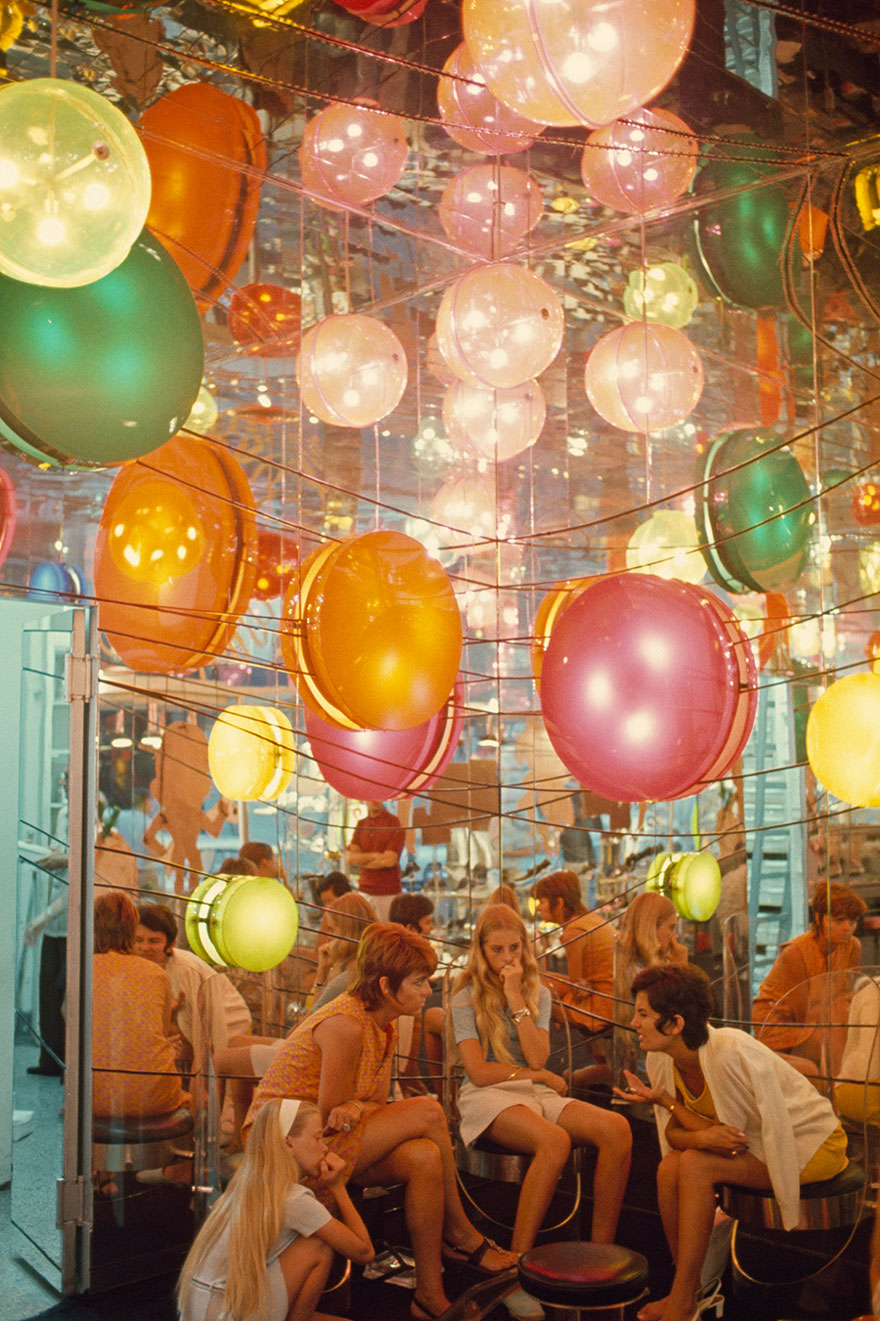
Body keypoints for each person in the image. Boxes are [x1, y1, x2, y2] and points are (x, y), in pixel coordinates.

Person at [245, 923, 516, 1321]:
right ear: (387, 986)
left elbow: (368, 1102)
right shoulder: (347, 1025)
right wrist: (355, 1108)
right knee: (428, 1110)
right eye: (420, 982)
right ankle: (461, 1233)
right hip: (283, 1144)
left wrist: (357, 1108)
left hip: (322, 1136)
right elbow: (331, 1118)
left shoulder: (384, 1024)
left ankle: (429, 1295)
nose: (428, 991)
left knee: (424, 1156)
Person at [617, 964, 849, 1321]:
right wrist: (676, 1111)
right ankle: (689, 1288)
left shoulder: (727, 1052)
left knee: (694, 1165)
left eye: (644, 1014)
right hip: (750, 1146)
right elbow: (674, 1135)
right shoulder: (662, 1058)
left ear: (676, 1024)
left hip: (808, 1144)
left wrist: (684, 1119)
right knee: (668, 1167)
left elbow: (730, 1142)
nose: (634, 1023)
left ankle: (683, 1299)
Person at [450, 905, 632, 1321]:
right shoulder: (464, 997)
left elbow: (537, 1056)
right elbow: (477, 1071)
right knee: (554, 1140)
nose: (508, 958)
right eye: (497, 950)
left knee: (616, 1128)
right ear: (481, 950)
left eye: (514, 948)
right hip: (485, 1093)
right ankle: (517, 1268)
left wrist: (516, 998)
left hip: (531, 1088)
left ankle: (599, 1254)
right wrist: (542, 1077)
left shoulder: (538, 993)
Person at [177, 1097, 374, 1321]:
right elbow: (364, 1252)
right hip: (225, 1310)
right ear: (289, 1143)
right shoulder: (293, 1199)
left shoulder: (244, 1186)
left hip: (203, 1309)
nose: (324, 1147)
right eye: (317, 1137)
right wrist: (337, 1186)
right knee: (318, 1244)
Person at [92, 891, 189, 1195]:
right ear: (132, 929)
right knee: (196, 1098)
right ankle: (185, 1173)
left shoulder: (80, 967)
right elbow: (159, 1033)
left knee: (100, 1069)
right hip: (153, 1098)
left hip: (91, 1099)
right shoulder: (155, 973)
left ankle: (100, 1172)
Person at [752, 879, 866, 1078]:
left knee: (853, 1030)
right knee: (834, 1037)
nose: (847, 928)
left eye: (853, 921)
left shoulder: (852, 947)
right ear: (819, 917)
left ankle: (845, 1094)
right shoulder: (795, 954)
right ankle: (838, 1097)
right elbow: (802, 1015)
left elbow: (846, 996)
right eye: (838, 920)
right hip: (780, 1025)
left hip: (822, 1020)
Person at [134, 903, 252, 1065]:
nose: (144, 948)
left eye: (154, 941)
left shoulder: (185, 970)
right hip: (188, 1039)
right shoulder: (137, 968)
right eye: (138, 940)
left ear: (170, 945)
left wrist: (201, 1084)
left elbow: (205, 1032)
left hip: (228, 1028)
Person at [534, 870, 615, 1036]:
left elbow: (575, 987)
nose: (538, 907)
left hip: (604, 1005)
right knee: (540, 981)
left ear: (559, 903)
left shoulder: (574, 931)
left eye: (542, 902)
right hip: (609, 995)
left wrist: (556, 1012)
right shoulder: (588, 920)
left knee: (533, 988)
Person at [311, 892, 379, 1009]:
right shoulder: (370, 963)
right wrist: (324, 968)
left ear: (347, 932)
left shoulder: (348, 977)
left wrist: (322, 972)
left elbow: (312, 1019)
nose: (328, 936)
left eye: (332, 930)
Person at [345, 801, 405, 921]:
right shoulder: (361, 824)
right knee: (365, 932)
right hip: (364, 890)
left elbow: (389, 861)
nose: (375, 801)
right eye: (371, 797)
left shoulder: (393, 822)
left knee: (387, 933)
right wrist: (375, 856)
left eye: (378, 797)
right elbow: (350, 858)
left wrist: (363, 860)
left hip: (387, 892)